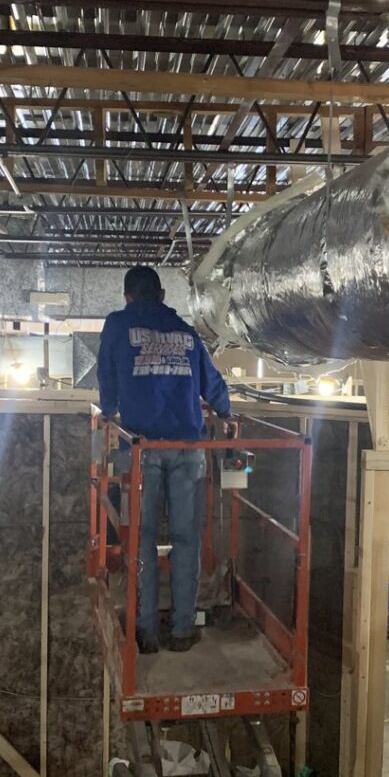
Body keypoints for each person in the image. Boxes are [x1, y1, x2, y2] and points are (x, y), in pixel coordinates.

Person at [97, 265, 233, 654]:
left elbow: (106, 377)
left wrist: (108, 410)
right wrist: (225, 413)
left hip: (140, 448)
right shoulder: (187, 332)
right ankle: (182, 629)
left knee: (140, 539)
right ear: (161, 296)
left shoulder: (118, 325)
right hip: (189, 448)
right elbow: (212, 383)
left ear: (128, 297)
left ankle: (146, 631)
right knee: (187, 539)